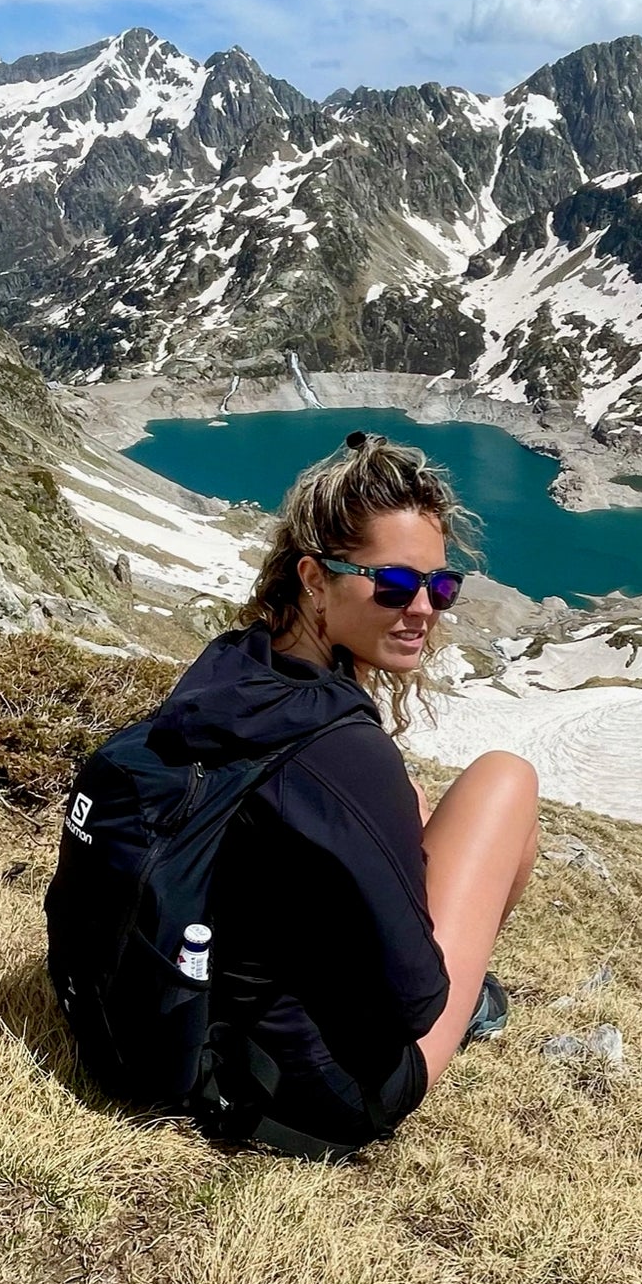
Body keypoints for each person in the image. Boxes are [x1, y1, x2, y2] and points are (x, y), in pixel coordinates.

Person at [157, 429, 539, 1158]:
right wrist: (445, 984)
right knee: (506, 781)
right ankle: (477, 1004)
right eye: (395, 584)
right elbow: (414, 997)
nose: (424, 607)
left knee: (420, 808)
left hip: (220, 1020)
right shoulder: (343, 750)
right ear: (313, 576)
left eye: (440, 585)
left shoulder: (235, 666)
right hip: (320, 1083)